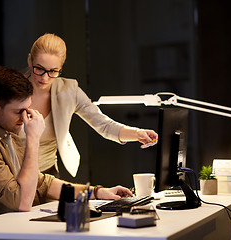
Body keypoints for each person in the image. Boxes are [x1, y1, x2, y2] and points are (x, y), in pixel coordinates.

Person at [0, 66, 132, 223]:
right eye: (18, 111)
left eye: (27, 109)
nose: (24, 118)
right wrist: (33, 138)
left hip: (17, 230)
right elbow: (21, 200)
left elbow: (42, 183)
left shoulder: (7, 133)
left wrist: (97, 193)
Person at [21, 33, 158, 177]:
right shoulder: (10, 89)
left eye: (53, 71)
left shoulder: (69, 90)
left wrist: (137, 134)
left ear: (60, 68)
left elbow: (103, 125)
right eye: (39, 68)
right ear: (30, 60)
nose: (44, 77)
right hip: (12, 175)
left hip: (48, 176)